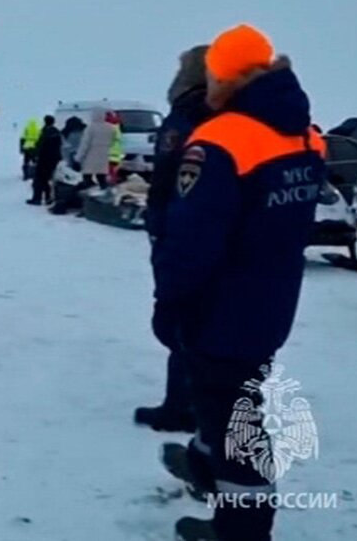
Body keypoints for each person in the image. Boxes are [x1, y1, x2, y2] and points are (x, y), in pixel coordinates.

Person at [153, 24, 326, 541]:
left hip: (220, 307)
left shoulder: (220, 141)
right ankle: (207, 468)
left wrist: (170, 301)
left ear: (222, 76)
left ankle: (242, 529)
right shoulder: (306, 135)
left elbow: (193, 240)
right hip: (273, 300)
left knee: (236, 424)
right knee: (233, 403)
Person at [134, 45, 211, 434]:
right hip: (191, 229)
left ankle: (181, 406)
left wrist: (161, 225)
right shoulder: (221, 113)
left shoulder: (188, 116)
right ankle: (192, 402)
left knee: (180, 317)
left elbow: (170, 177)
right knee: (196, 320)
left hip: (181, 231)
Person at [75, 108, 115, 188]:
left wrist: (78, 158)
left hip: (90, 157)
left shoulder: (90, 128)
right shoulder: (111, 128)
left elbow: (85, 144)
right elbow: (112, 142)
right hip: (103, 157)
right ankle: (104, 196)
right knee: (102, 179)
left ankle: (87, 196)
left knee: (87, 179)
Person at [27, 115, 62, 205]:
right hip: (54, 160)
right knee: (47, 179)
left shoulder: (45, 132)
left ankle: (37, 198)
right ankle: (48, 197)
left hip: (44, 159)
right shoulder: (57, 132)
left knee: (39, 180)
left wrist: (34, 155)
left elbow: (40, 146)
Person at [106, 111, 124, 183]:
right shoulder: (117, 125)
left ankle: (111, 181)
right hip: (116, 151)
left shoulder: (109, 126)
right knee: (113, 168)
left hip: (110, 151)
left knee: (110, 169)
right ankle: (113, 180)